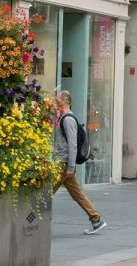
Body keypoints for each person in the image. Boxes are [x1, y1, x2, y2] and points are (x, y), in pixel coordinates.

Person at [52, 90, 106, 235]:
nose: (55, 101)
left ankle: (38, 222)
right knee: (77, 194)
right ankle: (96, 219)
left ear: (66, 101)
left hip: (62, 164)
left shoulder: (68, 119)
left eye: (58, 99)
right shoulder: (61, 117)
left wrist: (70, 166)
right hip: (62, 163)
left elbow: (72, 144)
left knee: (45, 193)